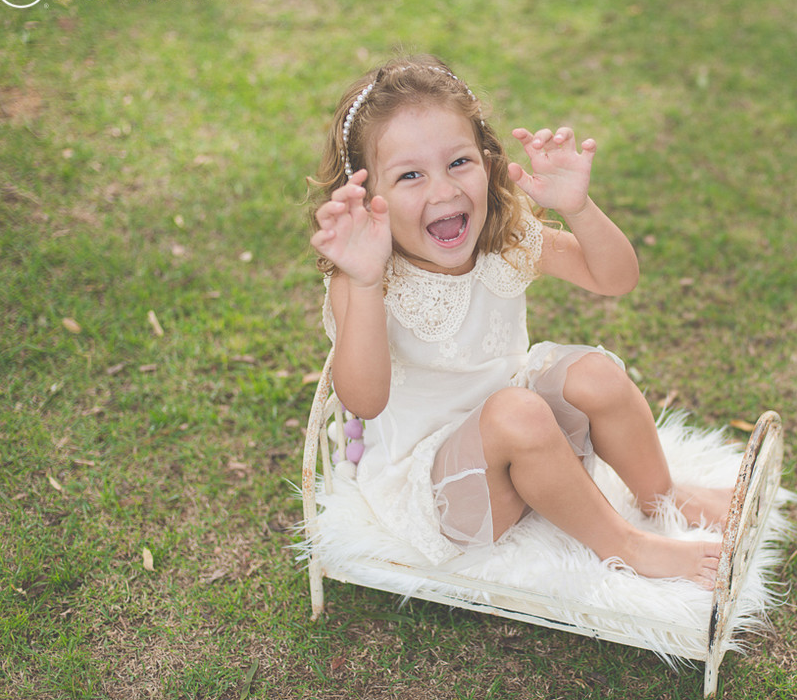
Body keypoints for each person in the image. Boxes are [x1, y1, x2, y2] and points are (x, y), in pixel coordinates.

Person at [308, 55, 731, 587]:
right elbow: (363, 400)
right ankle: (626, 545)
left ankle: (662, 496)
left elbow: (616, 279)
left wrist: (579, 208)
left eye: (458, 162)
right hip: (441, 493)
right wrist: (367, 283)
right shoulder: (367, 278)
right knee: (518, 412)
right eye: (410, 175)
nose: (444, 191)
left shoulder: (505, 238)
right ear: (369, 196)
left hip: (527, 454)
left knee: (595, 374)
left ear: (487, 163)